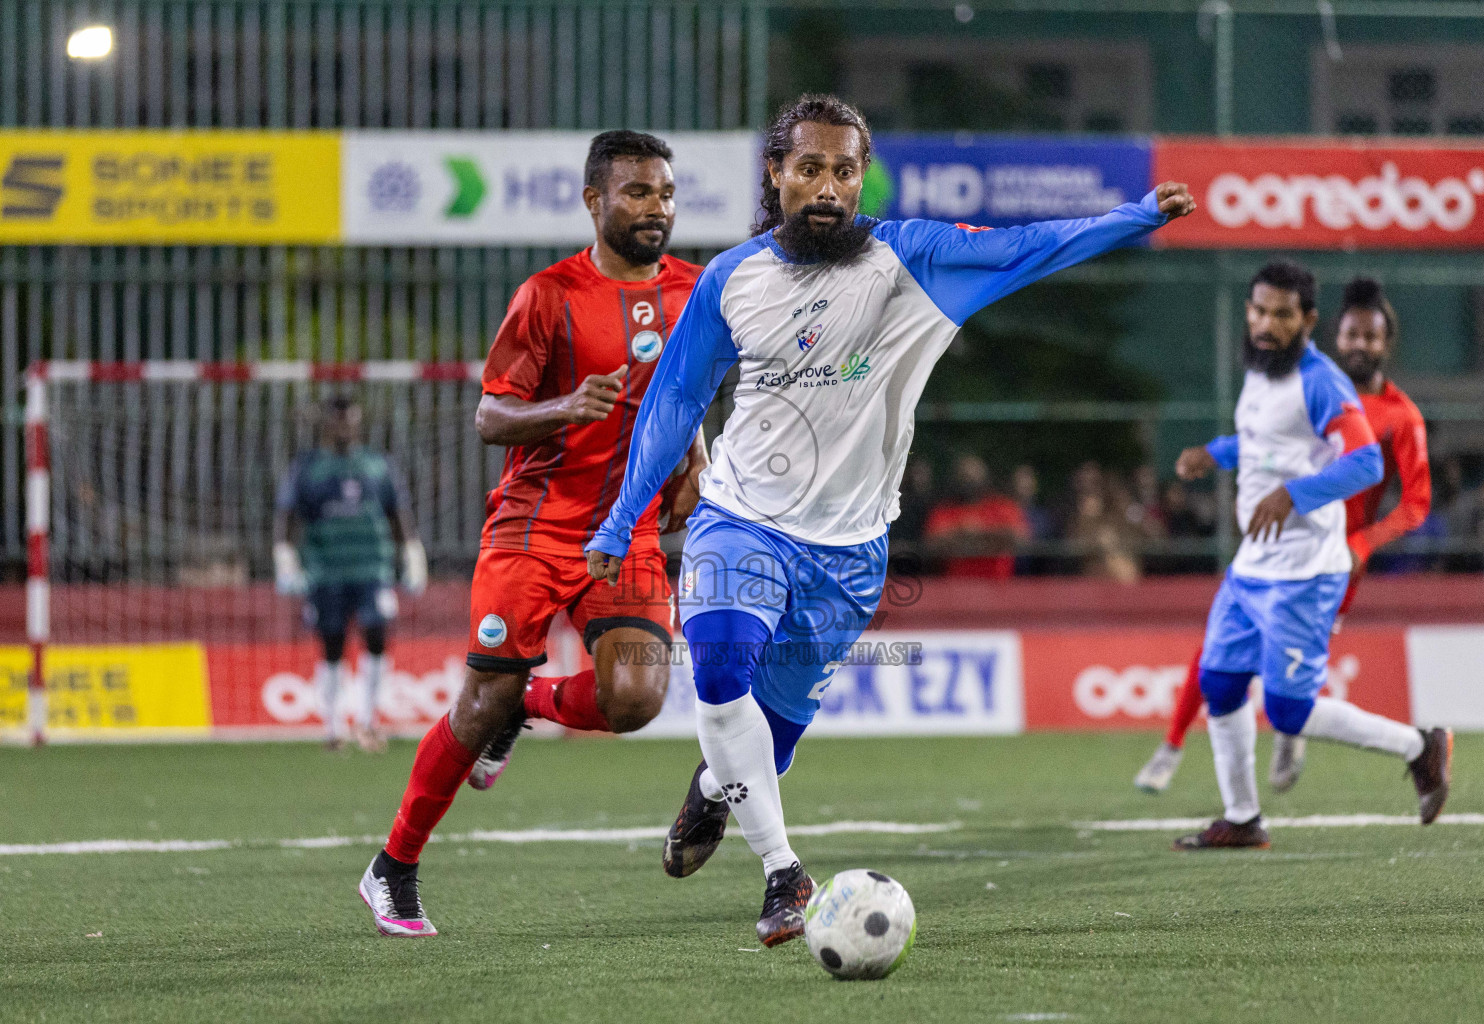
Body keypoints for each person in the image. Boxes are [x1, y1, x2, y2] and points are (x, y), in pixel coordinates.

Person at [583, 93, 1196, 944]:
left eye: (844, 170)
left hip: (849, 551)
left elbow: (1029, 248)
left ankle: (714, 788)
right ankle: (783, 875)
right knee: (721, 676)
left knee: (778, 729)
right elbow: (676, 400)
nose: (827, 187)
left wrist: (1131, 218)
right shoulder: (733, 278)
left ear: (863, 176)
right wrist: (622, 521)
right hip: (739, 520)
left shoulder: (915, 261)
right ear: (776, 174)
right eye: (809, 169)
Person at [359, 130, 708, 937]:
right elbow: (490, 414)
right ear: (595, 201)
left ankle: (528, 706)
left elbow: (689, 390)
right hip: (535, 529)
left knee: (635, 700)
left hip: (627, 535)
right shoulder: (548, 295)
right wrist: (562, 408)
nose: (655, 208)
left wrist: (697, 456)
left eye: (664, 193)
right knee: (478, 703)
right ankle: (394, 867)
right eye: (636, 193)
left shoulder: (697, 289)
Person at [1154, 261, 1449, 851]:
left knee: (1288, 713)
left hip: (1306, 571)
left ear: (1307, 321)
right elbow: (1267, 441)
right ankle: (1242, 819)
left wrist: (1294, 495)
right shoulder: (1262, 370)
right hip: (1254, 567)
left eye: (1281, 315)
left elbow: (1364, 463)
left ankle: (1422, 746)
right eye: (1258, 311)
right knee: (1221, 681)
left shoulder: (1321, 381)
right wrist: (1214, 453)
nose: (1266, 323)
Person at [274, 395, 427, 753]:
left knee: (376, 634)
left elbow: (396, 513)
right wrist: (284, 556)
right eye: (338, 419)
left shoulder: (377, 465)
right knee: (332, 644)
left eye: (350, 419)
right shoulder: (308, 467)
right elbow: (289, 515)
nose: (344, 426)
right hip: (326, 570)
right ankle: (332, 727)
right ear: (327, 423)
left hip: (372, 566)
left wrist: (412, 553)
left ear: (358, 422)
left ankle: (368, 721)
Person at [922, 454, 1027, 579]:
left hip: (999, 585)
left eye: (973, 477)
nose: (969, 482)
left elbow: (1021, 538)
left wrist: (981, 531)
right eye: (964, 477)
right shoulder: (944, 511)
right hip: (955, 585)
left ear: (984, 478)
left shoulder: (1003, 507)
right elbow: (931, 543)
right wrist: (961, 532)